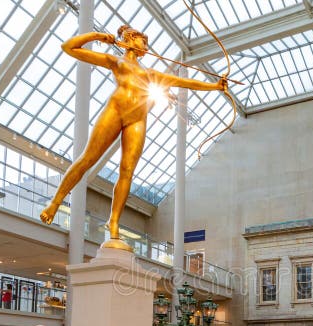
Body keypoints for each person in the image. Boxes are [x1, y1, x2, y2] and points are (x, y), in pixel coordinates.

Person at [38, 25, 227, 244]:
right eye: (143, 41)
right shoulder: (117, 62)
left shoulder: (150, 74)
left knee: (127, 170)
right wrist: (99, 36)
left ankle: (114, 221)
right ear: (131, 38)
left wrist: (215, 86)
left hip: (137, 120)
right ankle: (55, 202)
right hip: (115, 110)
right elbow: (69, 47)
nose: (146, 46)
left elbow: (185, 83)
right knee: (88, 157)